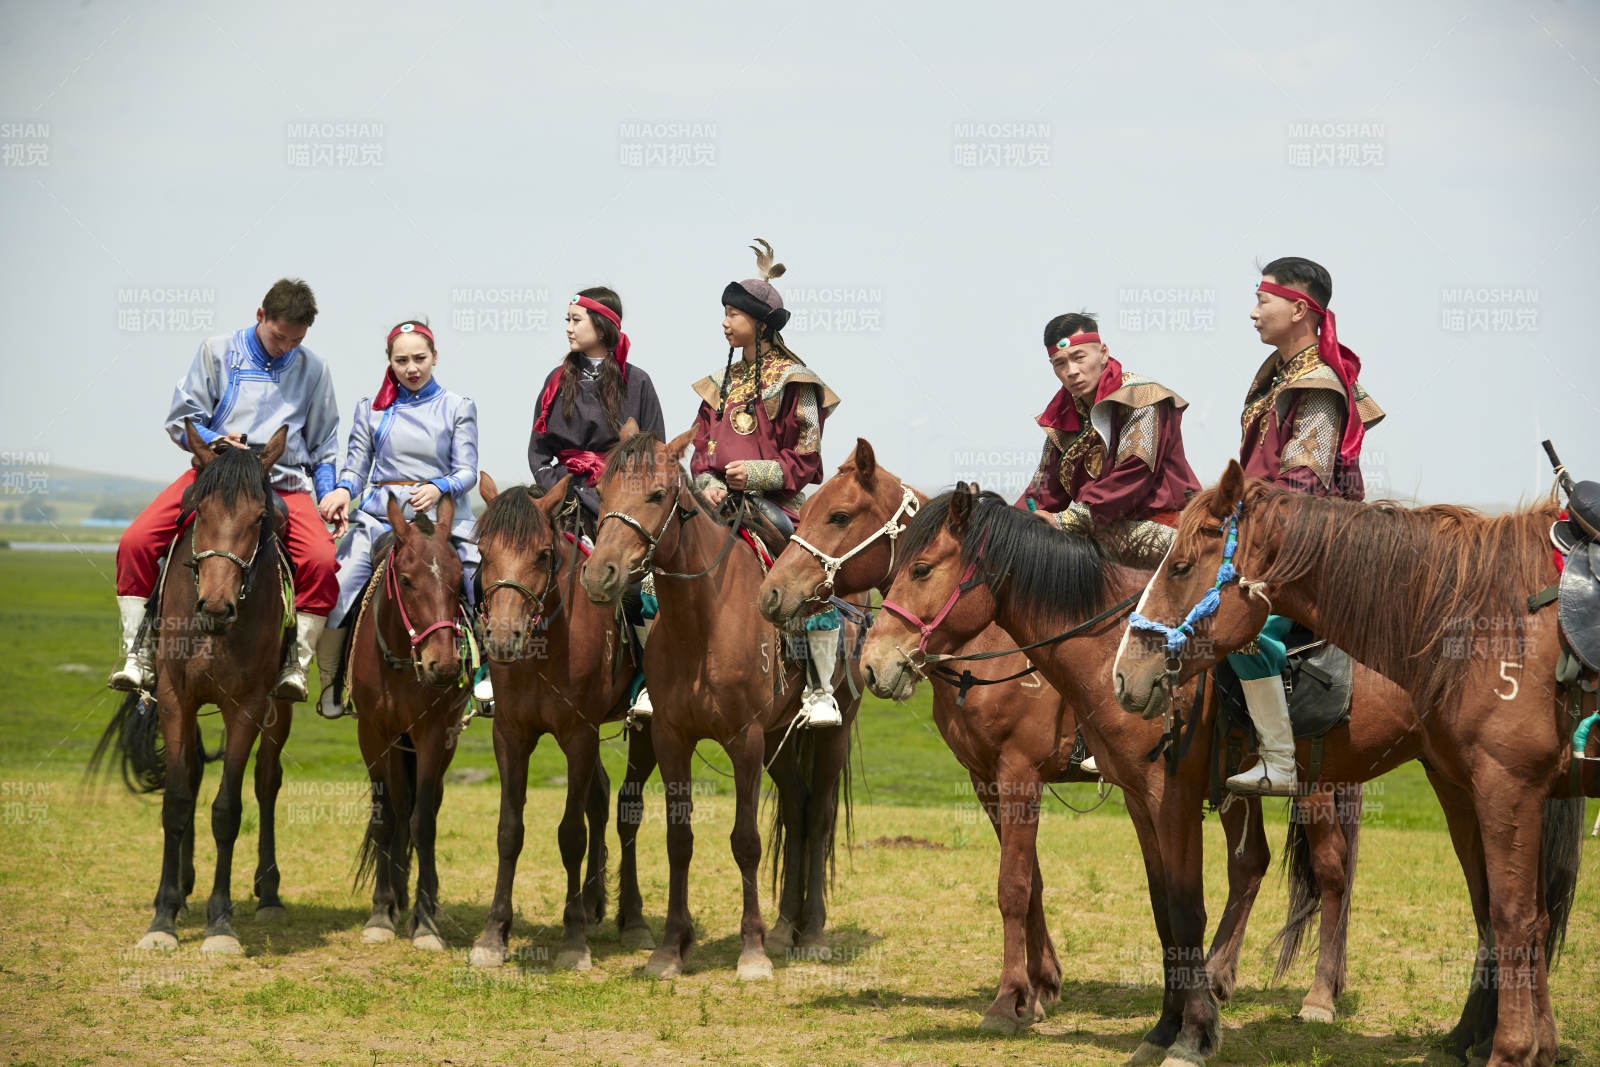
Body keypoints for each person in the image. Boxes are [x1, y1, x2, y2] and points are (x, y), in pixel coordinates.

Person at [111, 278, 339, 702]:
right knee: (135, 541)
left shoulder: (315, 369)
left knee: (324, 562)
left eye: (296, 340)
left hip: (283, 482)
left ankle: (295, 664)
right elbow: (183, 418)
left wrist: (329, 494)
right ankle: (137, 652)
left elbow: (324, 445)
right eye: (278, 336)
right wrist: (217, 441)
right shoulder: (216, 351)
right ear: (260, 316)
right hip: (214, 476)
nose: (285, 347)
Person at [1224, 257, 1384, 796]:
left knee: (1242, 631)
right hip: (1265, 531)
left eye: (1261, 300)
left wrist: (1242, 528)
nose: (1253, 312)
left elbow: (1302, 490)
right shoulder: (1279, 374)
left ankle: (1279, 761)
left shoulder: (1316, 384)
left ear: (1299, 309)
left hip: (1304, 544)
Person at [1017, 311, 1201, 774]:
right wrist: (1007, 523)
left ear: (1102, 350)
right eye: (1061, 366)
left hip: (1160, 528)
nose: (1072, 371)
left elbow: (1134, 478)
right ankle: (1087, 732)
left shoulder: (1142, 398)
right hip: (1096, 535)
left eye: (1079, 358)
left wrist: (1069, 521)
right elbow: (1045, 490)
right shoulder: (1063, 416)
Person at [689, 239, 843, 728]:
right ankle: (655, 679)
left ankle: (819, 688)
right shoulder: (719, 384)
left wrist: (754, 475)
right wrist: (707, 482)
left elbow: (808, 457)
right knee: (656, 566)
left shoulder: (798, 382)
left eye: (733, 313)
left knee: (807, 581)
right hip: (716, 503)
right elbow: (698, 448)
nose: (724, 321)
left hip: (779, 506)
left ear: (759, 322)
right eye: (725, 312)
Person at [499, 287, 666, 716]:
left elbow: (652, 453)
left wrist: (611, 494)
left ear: (603, 325)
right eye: (567, 319)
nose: (568, 327)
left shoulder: (638, 382)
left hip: (616, 506)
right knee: (508, 563)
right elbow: (539, 451)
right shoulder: (556, 382)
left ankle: (647, 680)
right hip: (561, 495)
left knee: (638, 587)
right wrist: (561, 486)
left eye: (577, 319)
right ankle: (493, 677)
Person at [313, 320, 480, 719]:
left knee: (477, 580)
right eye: (401, 360)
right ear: (389, 361)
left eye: (420, 358)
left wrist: (440, 486)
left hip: (444, 517)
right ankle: (332, 684)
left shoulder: (459, 407)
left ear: (435, 357)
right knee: (338, 588)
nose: (412, 368)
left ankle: (485, 673)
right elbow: (355, 469)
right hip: (380, 520)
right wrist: (341, 490)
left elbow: (468, 470)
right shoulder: (370, 411)